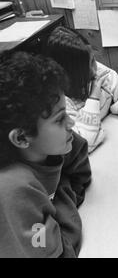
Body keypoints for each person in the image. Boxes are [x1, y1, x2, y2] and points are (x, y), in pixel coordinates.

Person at [0, 50, 92, 257]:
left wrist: (59, 197)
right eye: (60, 119)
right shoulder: (12, 188)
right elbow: (47, 251)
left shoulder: (53, 144)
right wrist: (61, 204)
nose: (71, 123)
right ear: (22, 138)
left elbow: (80, 170)